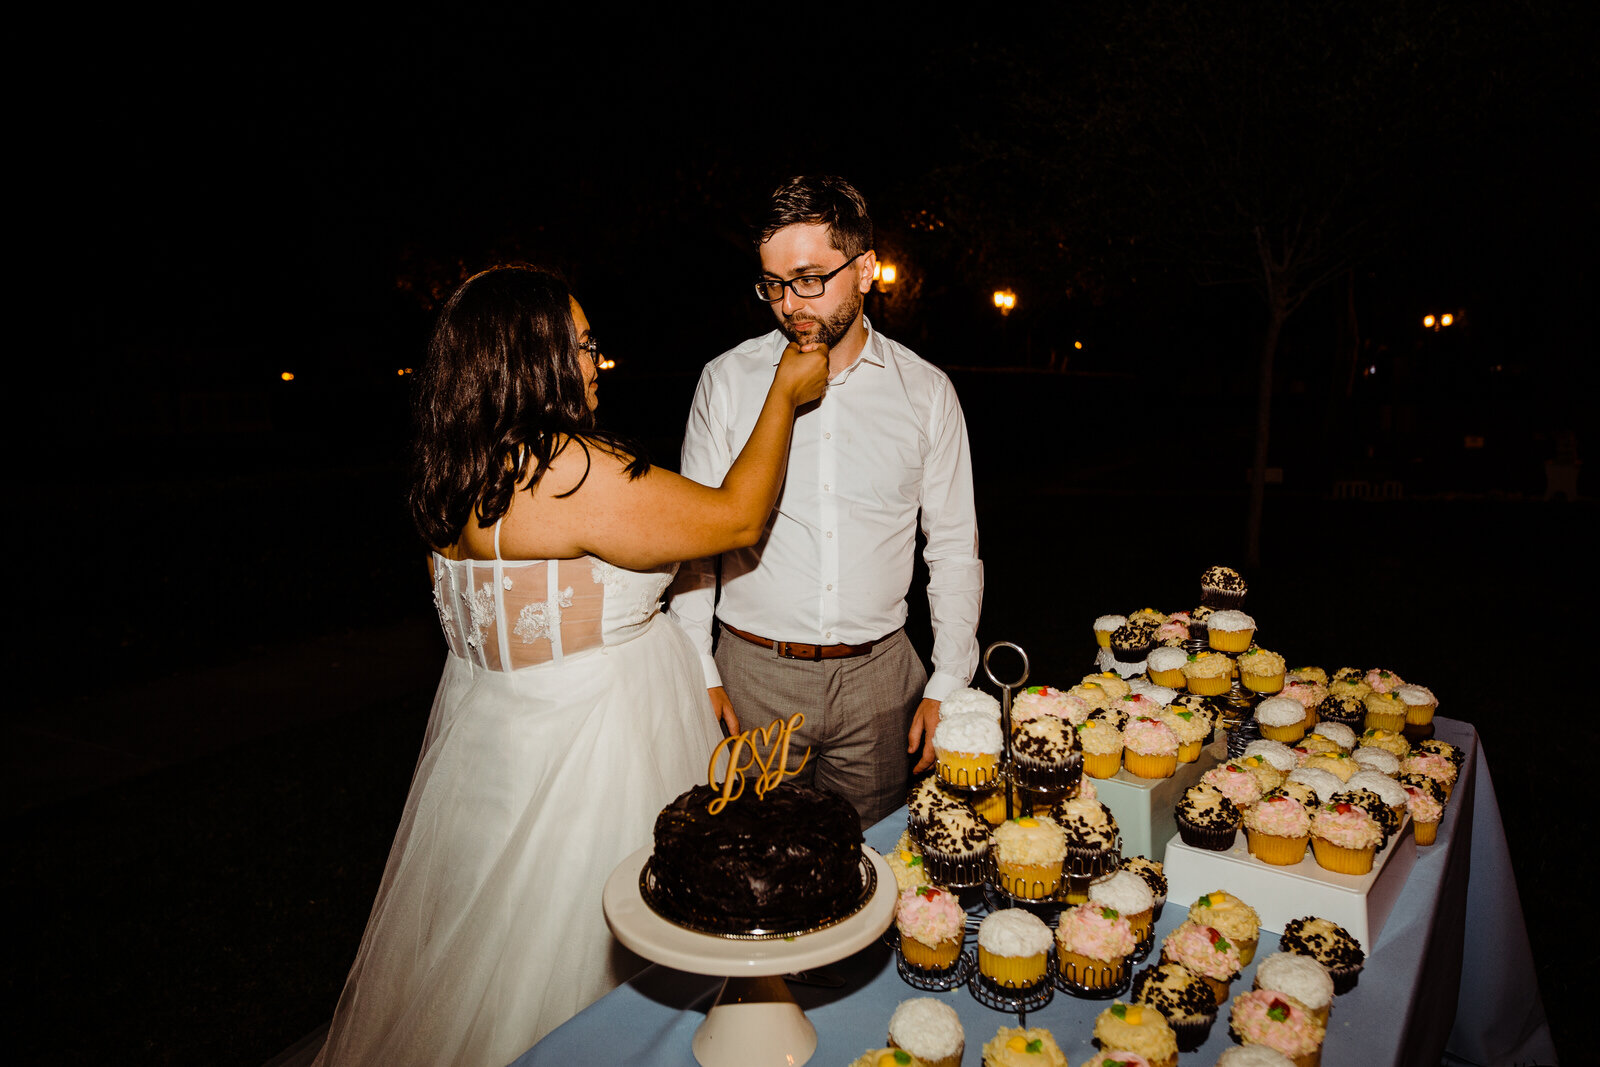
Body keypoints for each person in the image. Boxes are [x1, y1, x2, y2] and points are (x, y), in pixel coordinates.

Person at [313, 265, 828, 1067]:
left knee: (486, 952)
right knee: (609, 957)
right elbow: (737, 513)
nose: (596, 362)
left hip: (489, 745)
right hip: (600, 747)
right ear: (532, 356)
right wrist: (784, 397)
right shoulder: (568, 470)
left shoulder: (456, 471)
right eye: (581, 345)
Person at [669, 176, 983, 828]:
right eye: (773, 283)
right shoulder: (726, 383)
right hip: (755, 674)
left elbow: (953, 547)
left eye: (809, 277)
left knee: (869, 870)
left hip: (880, 680)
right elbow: (696, 546)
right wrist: (699, 667)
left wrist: (948, 680)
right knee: (754, 868)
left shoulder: (926, 392)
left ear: (865, 269)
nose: (789, 303)